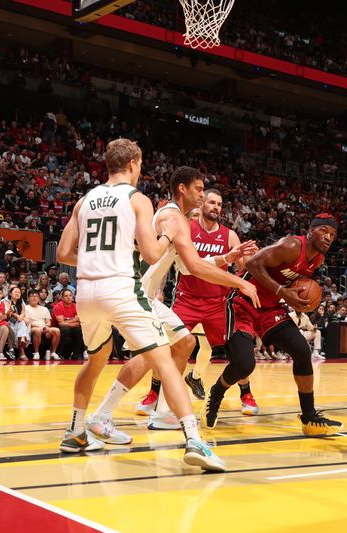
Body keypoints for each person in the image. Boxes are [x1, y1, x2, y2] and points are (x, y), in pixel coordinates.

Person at [55, 138, 224, 472]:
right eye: (141, 164)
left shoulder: (84, 200)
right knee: (164, 359)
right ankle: (194, 440)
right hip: (120, 288)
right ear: (132, 163)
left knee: (95, 361)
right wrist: (168, 234)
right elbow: (151, 254)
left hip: (87, 292)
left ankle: (75, 431)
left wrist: (97, 261)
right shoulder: (137, 199)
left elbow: (62, 254)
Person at [89, 167, 258, 434]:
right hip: (133, 293)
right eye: (200, 189)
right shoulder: (174, 217)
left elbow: (189, 266)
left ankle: (160, 412)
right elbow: (196, 267)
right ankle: (102, 415)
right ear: (183, 188)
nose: (203, 195)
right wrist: (241, 282)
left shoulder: (174, 216)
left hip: (138, 293)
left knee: (184, 343)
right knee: (150, 355)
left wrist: (227, 258)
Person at [202, 214, 343, 436]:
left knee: (302, 351)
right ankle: (217, 393)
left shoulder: (318, 260)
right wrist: (281, 291)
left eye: (333, 234)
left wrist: (295, 297)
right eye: (324, 231)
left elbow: (292, 283)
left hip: (270, 308)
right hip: (243, 301)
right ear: (311, 231)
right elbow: (251, 263)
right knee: (244, 364)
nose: (328, 237)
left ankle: (309, 417)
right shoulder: (292, 246)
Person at [135, 188, 260, 418]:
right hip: (187, 299)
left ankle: (246, 393)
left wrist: (254, 257)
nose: (216, 207)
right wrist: (159, 291)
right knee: (167, 346)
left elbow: (243, 265)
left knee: (237, 348)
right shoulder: (185, 227)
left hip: (218, 302)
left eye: (220, 204)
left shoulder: (229, 235)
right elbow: (165, 263)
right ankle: (154, 393)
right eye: (211, 202)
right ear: (201, 205)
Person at [23, 289, 60, 361]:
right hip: (32, 328)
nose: (34, 298)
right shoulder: (25, 308)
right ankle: (36, 353)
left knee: (56, 330)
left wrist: (47, 326)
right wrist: (40, 327)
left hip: (44, 328)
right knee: (38, 330)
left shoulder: (44, 309)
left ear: (39, 298)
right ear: (28, 298)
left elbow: (48, 321)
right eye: (32, 296)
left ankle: (53, 352)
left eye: (36, 296)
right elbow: (28, 321)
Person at [53, 288, 85, 360]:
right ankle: (59, 353)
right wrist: (74, 320)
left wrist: (66, 322)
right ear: (62, 298)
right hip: (59, 328)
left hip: (72, 327)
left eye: (70, 295)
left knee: (78, 329)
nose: (68, 297)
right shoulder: (58, 306)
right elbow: (60, 323)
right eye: (66, 296)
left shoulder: (76, 306)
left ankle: (77, 354)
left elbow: (79, 322)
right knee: (65, 329)